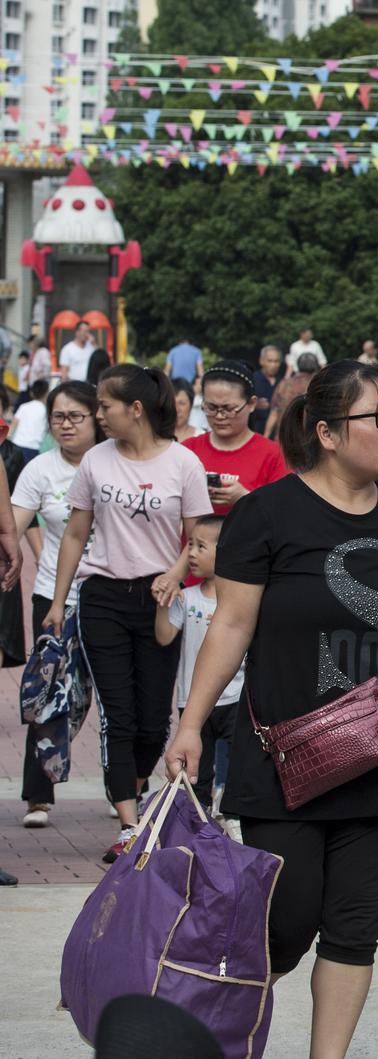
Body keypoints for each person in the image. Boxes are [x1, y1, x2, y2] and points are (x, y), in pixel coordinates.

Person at [166, 359, 378, 1059]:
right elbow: (229, 624)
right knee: (279, 927)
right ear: (325, 430)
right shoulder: (268, 511)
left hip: (377, 753)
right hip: (284, 755)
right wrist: (192, 722)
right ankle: (203, 1035)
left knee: (354, 929)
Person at [48, 364, 209, 862]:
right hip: (102, 597)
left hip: (162, 601)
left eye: (105, 407)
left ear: (135, 409)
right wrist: (58, 602)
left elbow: (198, 536)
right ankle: (128, 823)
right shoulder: (96, 461)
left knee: (152, 718)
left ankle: (135, 785)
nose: (99, 416)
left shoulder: (183, 463)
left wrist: (175, 574)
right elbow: (76, 532)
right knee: (118, 714)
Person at [11, 379, 97, 830]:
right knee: (45, 693)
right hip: (52, 594)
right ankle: (38, 797)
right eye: (57, 418)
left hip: (108, 594)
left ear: (96, 418)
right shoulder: (39, 469)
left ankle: (131, 786)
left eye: (74, 417)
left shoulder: (112, 463)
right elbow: (15, 521)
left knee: (114, 695)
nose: (65, 425)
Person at [153, 516, 241, 820]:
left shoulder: (240, 601)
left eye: (200, 546)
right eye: (189, 545)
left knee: (238, 763)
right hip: (192, 701)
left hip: (235, 696)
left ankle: (232, 816)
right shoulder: (187, 599)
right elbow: (164, 637)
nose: (190, 553)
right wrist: (164, 601)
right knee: (196, 771)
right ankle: (199, 821)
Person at [177, 362, 291, 519]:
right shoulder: (187, 451)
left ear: (251, 404)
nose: (219, 416)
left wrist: (245, 498)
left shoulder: (273, 455)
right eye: (211, 407)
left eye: (229, 409)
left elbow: (287, 514)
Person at [266, 352, 319, 439]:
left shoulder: (284, 384)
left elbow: (274, 413)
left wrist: (265, 436)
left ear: (298, 366)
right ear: (316, 368)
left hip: (283, 438)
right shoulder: (317, 386)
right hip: (308, 442)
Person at [10, 378, 50, 453]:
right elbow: (48, 429)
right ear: (47, 394)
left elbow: (13, 425)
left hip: (16, 444)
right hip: (32, 448)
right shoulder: (45, 411)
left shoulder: (23, 406)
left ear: (31, 393)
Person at [252, 345, 284, 436]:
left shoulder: (283, 382)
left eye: (276, 361)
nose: (273, 365)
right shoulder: (253, 380)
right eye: (270, 361)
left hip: (278, 433)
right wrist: (254, 404)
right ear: (261, 361)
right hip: (256, 431)